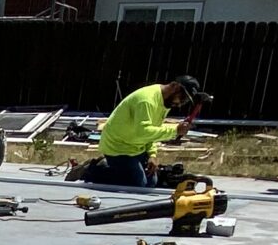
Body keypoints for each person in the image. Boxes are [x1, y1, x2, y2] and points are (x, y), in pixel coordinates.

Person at [74, 75, 202, 187]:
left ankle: (114, 169)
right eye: (183, 97)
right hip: (117, 147)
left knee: (151, 183)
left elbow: (153, 129)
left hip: (135, 147)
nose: (181, 103)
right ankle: (92, 170)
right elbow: (143, 131)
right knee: (138, 184)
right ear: (175, 86)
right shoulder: (147, 100)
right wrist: (175, 130)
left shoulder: (165, 102)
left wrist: (152, 154)